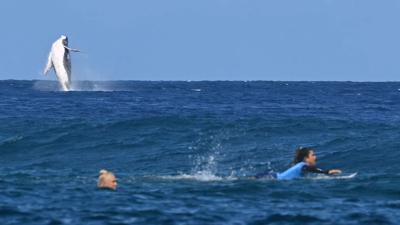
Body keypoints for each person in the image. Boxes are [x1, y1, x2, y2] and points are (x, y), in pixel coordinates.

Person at [256, 147, 342, 180]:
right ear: (306, 158)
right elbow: (312, 169)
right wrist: (326, 172)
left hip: (272, 176)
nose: (315, 157)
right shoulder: (303, 166)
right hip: (270, 178)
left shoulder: (301, 165)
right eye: (313, 155)